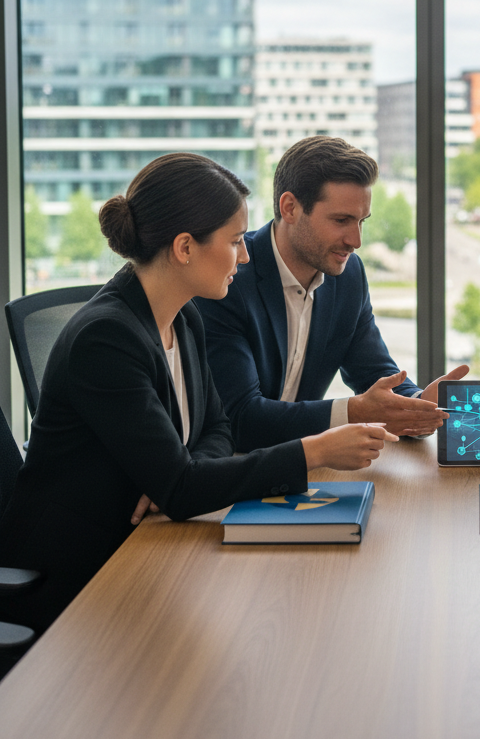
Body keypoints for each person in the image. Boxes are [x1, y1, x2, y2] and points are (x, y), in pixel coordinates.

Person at [0, 153, 396, 637]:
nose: (245, 256)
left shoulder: (183, 316)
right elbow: (184, 488)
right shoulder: (106, 338)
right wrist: (314, 451)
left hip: (148, 544)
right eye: (234, 241)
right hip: (76, 574)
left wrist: (179, 477)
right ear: (185, 247)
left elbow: (217, 428)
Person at [195, 136, 467, 452]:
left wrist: (419, 405)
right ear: (290, 208)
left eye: (361, 221)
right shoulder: (228, 280)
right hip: (233, 470)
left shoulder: (348, 276)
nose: (356, 240)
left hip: (304, 467)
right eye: (341, 220)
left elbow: (375, 372)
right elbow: (239, 419)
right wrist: (352, 413)